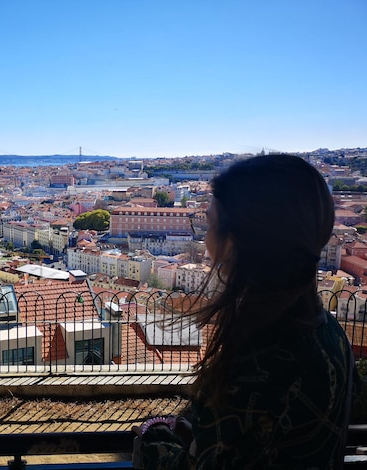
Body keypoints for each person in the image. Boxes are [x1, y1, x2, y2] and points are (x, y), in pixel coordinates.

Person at [136, 154, 355, 469]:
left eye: (208, 222)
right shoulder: (330, 334)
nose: (204, 234)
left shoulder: (256, 366)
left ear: (235, 241)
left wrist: (152, 437)